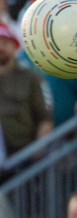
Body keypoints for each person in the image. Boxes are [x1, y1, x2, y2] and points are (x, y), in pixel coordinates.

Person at [0, 23, 52, 157]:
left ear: (15, 46)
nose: (1, 47)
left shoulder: (31, 76)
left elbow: (46, 117)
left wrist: (38, 149)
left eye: (5, 42)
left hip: (24, 157)